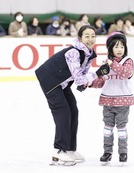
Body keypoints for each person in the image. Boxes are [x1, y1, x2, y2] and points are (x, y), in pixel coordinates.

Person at [35, 25, 110, 165]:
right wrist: (98, 73)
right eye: (87, 36)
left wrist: (84, 84)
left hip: (63, 83)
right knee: (63, 113)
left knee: (73, 111)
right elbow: (79, 78)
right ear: (80, 38)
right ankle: (58, 151)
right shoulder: (74, 52)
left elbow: (81, 77)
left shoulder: (89, 54)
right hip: (50, 81)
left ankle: (69, 149)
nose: (90, 39)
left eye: (93, 36)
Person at [89, 32, 134, 164]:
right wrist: (89, 83)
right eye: (116, 47)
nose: (119, 49)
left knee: (121, 128)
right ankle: (107, 152)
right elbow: (101, 81)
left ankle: (123, 152)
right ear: (110, 49)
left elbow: (126, 73)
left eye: (122, 47)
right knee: (107, 128)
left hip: (123, 102)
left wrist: (111, 63)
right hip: (107, 101)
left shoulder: (128, 61)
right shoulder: (106, 65)